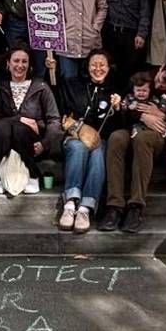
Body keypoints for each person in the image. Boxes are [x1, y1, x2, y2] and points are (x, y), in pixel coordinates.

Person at [98, 67, 166, 234]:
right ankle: (114, 205)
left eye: (163, 82)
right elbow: (124, 112)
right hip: (132, 127)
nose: (160, 84)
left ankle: (136, 206)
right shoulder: (135, 83)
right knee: (116, 138)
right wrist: (141, 116)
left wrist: (163, 115)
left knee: (142, 139)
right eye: (158, 80)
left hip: (157, 134)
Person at [58, 49, 120, 233]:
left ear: (109, 68)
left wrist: (117, 108)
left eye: (102, 65)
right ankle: (70, 203)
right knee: (78, 148)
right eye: (94, 64)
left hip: (99, 140)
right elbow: (62, 114)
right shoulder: (73, 85)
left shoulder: (113, 91)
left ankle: (85, 208)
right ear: (87, 66)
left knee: (99, 152)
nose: (98, 69)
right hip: (74, 137)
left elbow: (116, 127)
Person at [0, 44, 62, 196]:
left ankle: (32, 176)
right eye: (16, 61)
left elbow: (54, 120)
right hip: (4, 139)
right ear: (8, 63)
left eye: (24, 61)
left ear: (29, 65)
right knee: (3, 126)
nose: (20, 65)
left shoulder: (41, 87)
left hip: (32, 143)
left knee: (19, 129)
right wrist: (21, 118)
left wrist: (45, 143)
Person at [55, 0, 108, 98]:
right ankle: (70, 111)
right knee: (68, 81)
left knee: (90, 80)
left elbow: (103, 7)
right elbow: (55, 6)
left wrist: (95, 27)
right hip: (68, 41)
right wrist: (63, 28)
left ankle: (89, 111)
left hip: (90, 40)